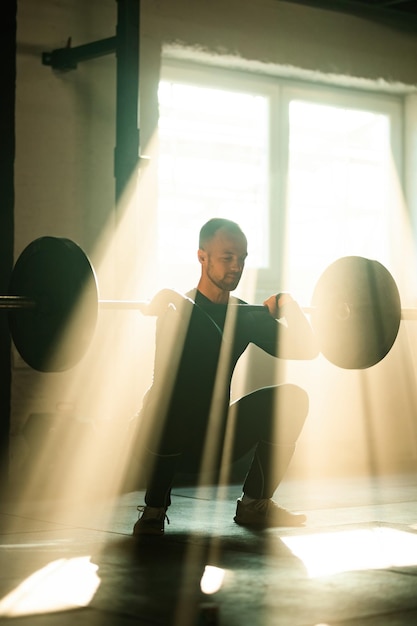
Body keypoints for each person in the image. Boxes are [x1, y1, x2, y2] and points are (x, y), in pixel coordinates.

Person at [133, 218, 318, 535]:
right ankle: (153, 509)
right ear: (202, 257)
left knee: (293, 399)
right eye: (227, 257)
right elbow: (164, 379)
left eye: (242, 259)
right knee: (167, 401)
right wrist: (168, 304)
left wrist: (292, 309)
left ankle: (254, 505)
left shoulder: (242, 316)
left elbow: (307, 349)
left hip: (215, 443)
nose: (236, 266)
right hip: (161, 442)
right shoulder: (177, 310)